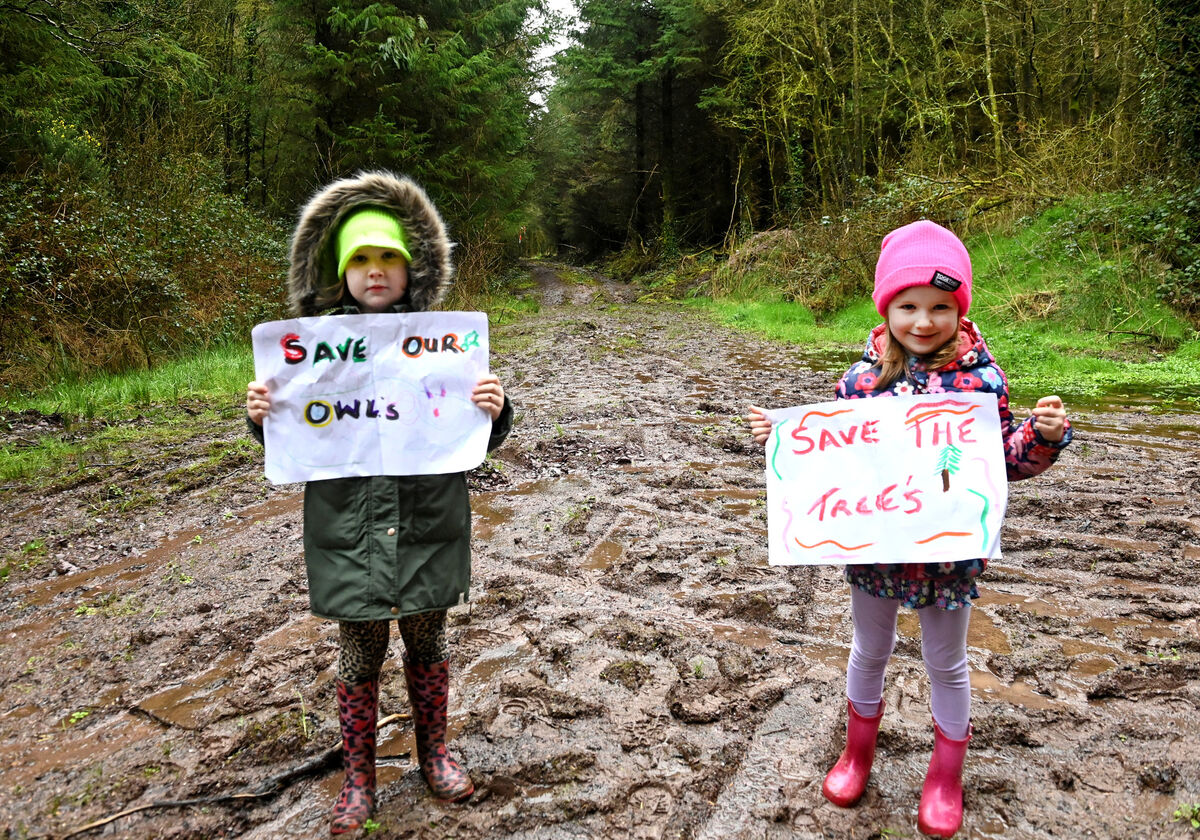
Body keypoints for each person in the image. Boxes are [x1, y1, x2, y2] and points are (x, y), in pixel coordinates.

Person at [746, 220, 1071, 838]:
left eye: (941, 307)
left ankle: (946, 774)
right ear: (886, 307)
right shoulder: (860, 382)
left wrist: (1042, 438)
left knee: (945, 661)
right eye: (909, 306)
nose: (924, 321)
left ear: (960, 309)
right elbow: (836, 457)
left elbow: (1000, 463)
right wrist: (783, 441)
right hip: (876, 549)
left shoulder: (983, 382)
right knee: (869, 649)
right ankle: (857, 753)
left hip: (949, 553)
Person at [246, 171, 514, 834]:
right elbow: (294, 432)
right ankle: (359, 778)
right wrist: (262, 416)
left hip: (426, 522)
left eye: (387, 258)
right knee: (358, 652)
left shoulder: (443, 344)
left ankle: (436, 754)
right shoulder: (307, 352)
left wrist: (496, 410)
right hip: (350, 529)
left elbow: (470, 432)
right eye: (359, 260)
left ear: (409, 269)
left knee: (428, 639)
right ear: (340, 273)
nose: (374, 272)